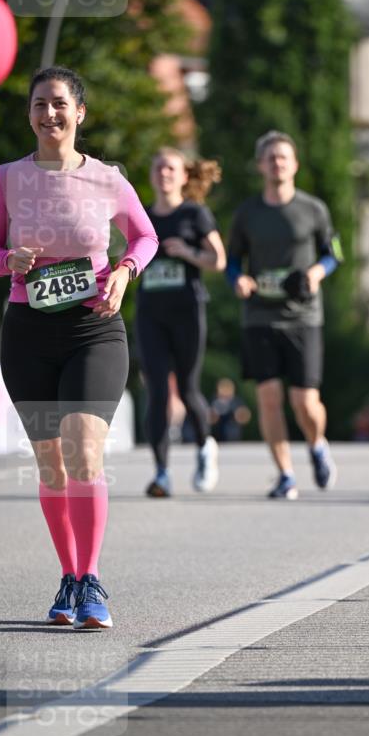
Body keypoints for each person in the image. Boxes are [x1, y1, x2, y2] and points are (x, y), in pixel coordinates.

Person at [0, 66, 158, 629]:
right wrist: (8, 262)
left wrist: (126, 269)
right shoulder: (8, 178)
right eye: (38, 104)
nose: (48, 113)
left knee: (85, 449)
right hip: (29, 332)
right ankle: (69, 576)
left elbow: (147, 235)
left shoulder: (107, 178)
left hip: (94, 329)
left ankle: (93, 578)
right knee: (52, 467)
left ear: (79, 113)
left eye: (59, 103)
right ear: (28, 115)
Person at [227, 130, 341, 499]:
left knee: (305, 401)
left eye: (284, 157)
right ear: (261, 165)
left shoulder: (313, 209)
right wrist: (238, 279)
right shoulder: (247, 213)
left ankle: (318, 444)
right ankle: (285, 474)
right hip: (260, 316)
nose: (278, 163)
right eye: (271, 158)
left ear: (295, 165)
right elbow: (232, 261)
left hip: (303, 316)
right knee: (269, 397)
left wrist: (316, 273)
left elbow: (334, 252)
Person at [136, 148, 226, 497]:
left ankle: (206, 448)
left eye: (171, 168)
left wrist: (187, 252)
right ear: (151, 175)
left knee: (188, 388)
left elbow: (218, 260)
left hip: (187, 311)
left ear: (184, 175)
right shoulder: (141, 216)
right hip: (150, 313)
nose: (164, 174)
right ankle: (161, 473)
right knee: (157, 390)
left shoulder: (194, 213)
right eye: (158, 168)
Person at [210, 377, 252, 443]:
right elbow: (209, 419)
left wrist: (238, 415)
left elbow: (245, 417)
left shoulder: (236, 401)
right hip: (217, 433)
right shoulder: (215, 400)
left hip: (232, 433)